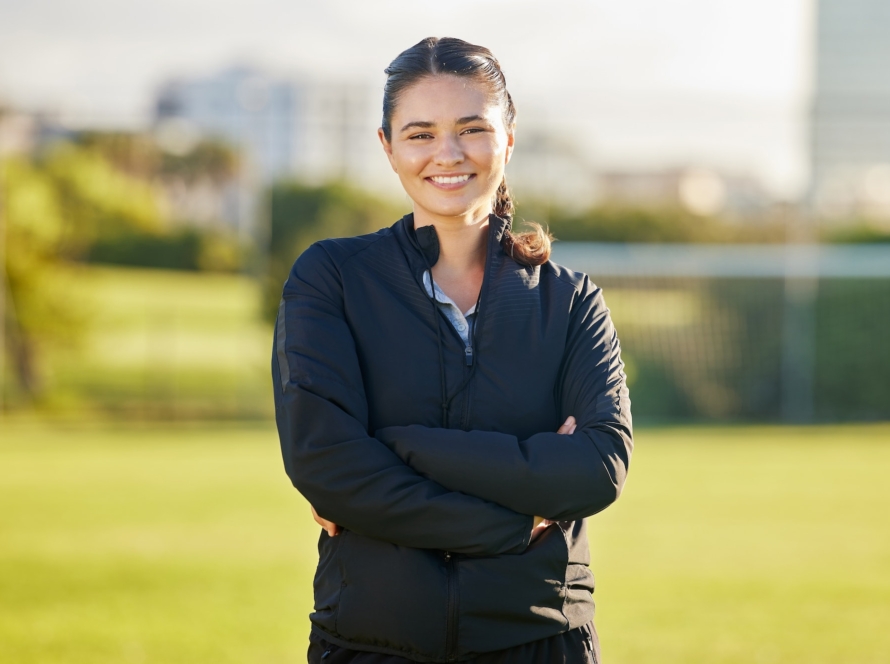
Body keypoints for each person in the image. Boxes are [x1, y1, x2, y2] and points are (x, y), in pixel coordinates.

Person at [272, 37, 633, 664]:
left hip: (542, 641)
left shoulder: (571, 301)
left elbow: (597, 469)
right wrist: (513, 523)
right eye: (420, 134)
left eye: (471, 128)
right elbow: (326, 465)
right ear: (387, 147)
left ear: (509, 137)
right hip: (368, 642)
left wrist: (396, 446)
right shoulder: (331, 277)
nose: (448, 153)